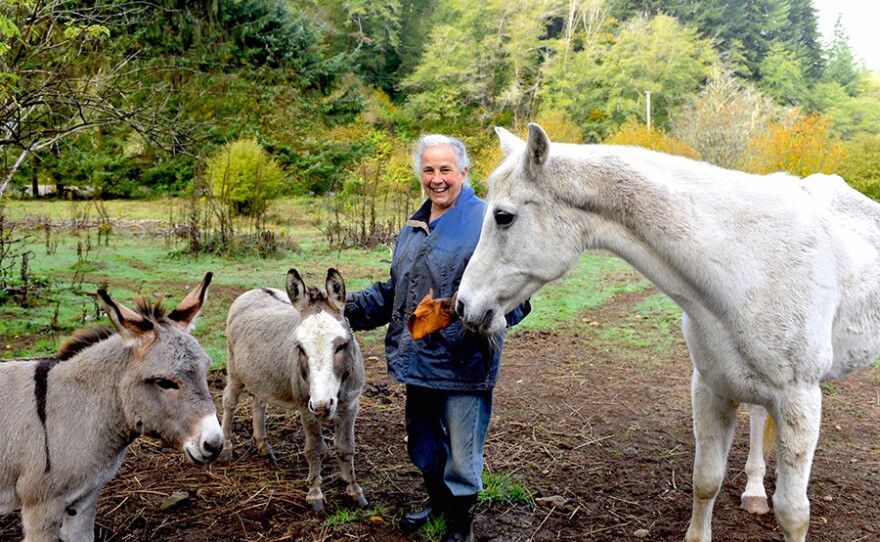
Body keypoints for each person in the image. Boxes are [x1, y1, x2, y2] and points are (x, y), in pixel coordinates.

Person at [344, 134, 530, 541]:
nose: (437, 178)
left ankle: (460, 525)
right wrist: (345, 310)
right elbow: (396, 291)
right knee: (424, 444)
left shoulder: (487, 222)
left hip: (463, 362)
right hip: (418, 360)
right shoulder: (413, 227)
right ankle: (437, 504)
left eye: (446, 169)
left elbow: (516, 299)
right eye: (429, 170)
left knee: (463, 454)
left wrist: (454, 315)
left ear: (463, 173)